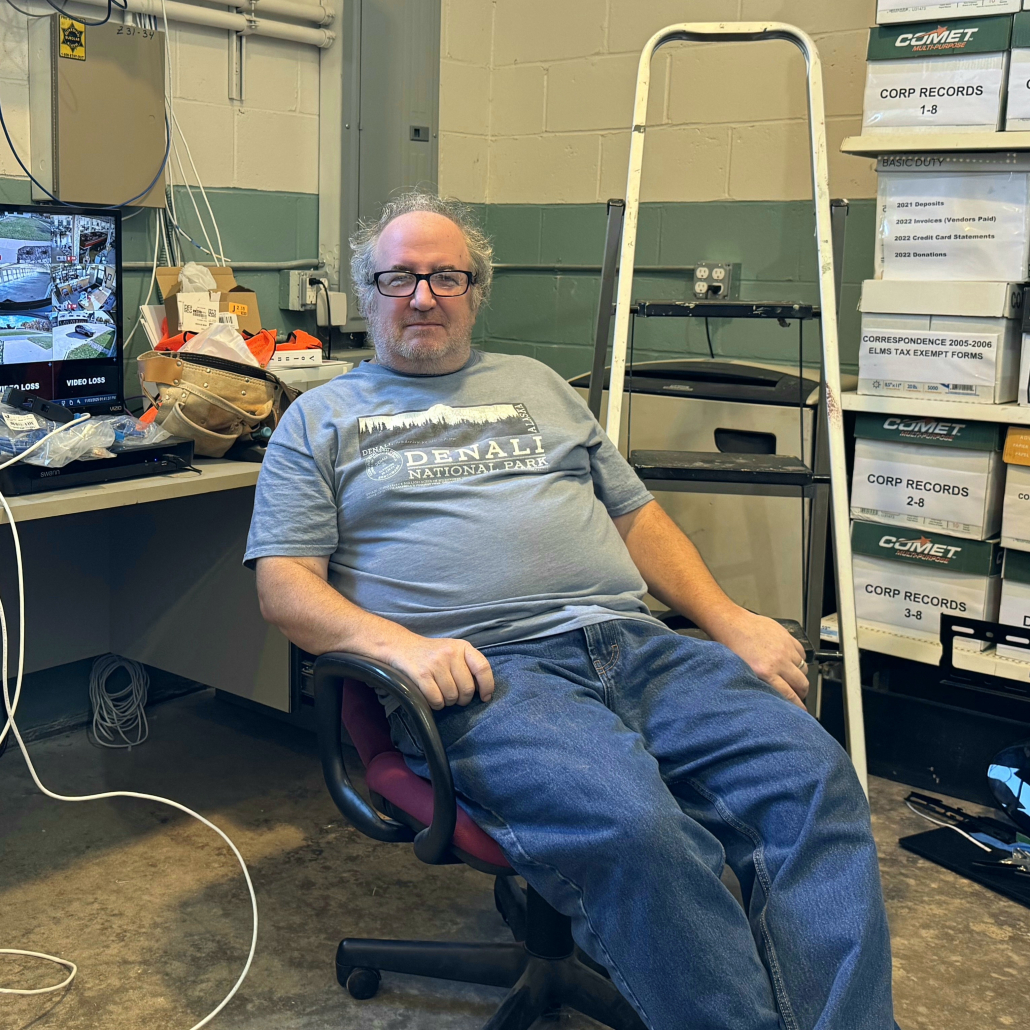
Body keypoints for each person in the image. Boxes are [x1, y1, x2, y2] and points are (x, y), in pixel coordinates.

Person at [246, 191, 897, 1030]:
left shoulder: (541, 386)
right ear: (368, 293)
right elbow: (284, 586)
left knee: (815, 782)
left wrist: (730, 619)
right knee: (637, 827)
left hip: (636, 645)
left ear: (477, 290)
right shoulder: (318, 419)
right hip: (485, 676)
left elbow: (637, 518)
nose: (423, 296)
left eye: (447, 276)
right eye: (399, 277)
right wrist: (398, 646)